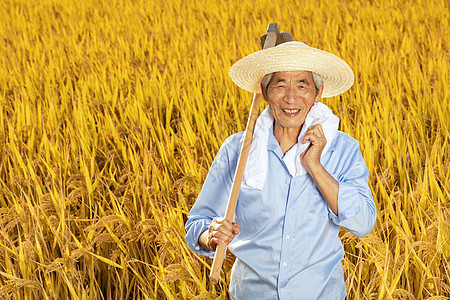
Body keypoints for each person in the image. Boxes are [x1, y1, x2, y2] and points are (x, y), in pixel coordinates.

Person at [185, 41, 377, 299]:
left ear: (318, 93)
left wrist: (315, 166)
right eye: (280, 84)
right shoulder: (238, 150)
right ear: (264, 92)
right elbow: (197, 223)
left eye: (302, 84)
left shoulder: (342, 150)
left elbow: (363, 223)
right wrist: (211, 235)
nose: (291, 97)